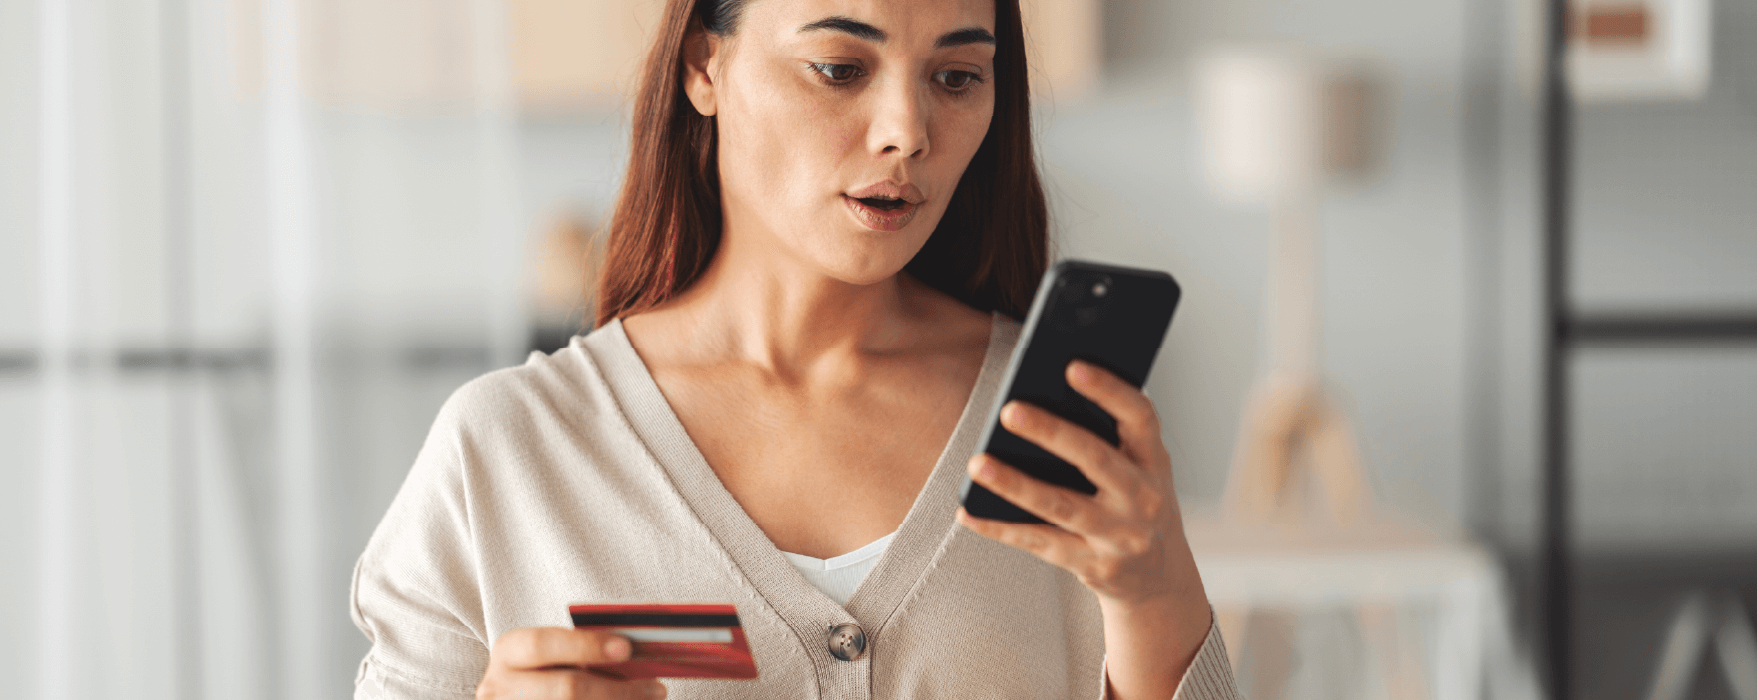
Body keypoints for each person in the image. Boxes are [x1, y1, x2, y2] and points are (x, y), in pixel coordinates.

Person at [348, 0, 1240, 697]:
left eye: (959, 76)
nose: (909, 130)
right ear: (706, 64)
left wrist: (1155, 597)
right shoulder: (505, 454)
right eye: (839, 67)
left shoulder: (1062, 433)